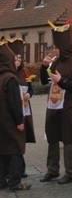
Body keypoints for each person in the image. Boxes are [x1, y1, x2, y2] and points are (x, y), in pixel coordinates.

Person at [39, 20, 72, 185]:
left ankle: (70, 172)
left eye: (57, 47)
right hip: (54, 106)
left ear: (64, 45)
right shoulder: (55, 61)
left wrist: (62, 80)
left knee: (68, 139)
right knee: (52, 137)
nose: (54, 50)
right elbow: (45, 81)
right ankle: (52, 170)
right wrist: (44, 67)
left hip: (69, 107)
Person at [0, 40, 30, 191]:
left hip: (2, 121)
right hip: (10, 120)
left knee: (3, 149)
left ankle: (1, 181)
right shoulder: (10, 79)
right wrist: (19, 121)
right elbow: (14, 102)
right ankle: (15, 181)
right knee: (17, 149)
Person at [7, 38, 36, 178]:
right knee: (15, 141)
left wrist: (28, 95)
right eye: (15, 58)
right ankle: (15, 170)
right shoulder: (8, 74)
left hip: (24, 109)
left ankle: (20, 168)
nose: (18, 61)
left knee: (22, 140)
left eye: (19, 58)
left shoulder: (24, 72)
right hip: (13, 112)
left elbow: (31, 89)